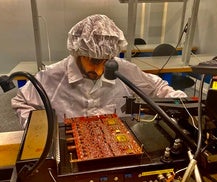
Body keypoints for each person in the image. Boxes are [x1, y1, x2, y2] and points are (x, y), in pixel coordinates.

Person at [11, 14, 187, 128]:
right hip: (70, 148)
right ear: (78, 52)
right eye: (94, 61)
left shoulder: (123, 69)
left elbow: (158, 88)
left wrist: (185, 107)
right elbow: (21, 101)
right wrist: (39, 131)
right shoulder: (52, 76)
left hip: (118, 144)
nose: (100, 70)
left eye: (106, 61)